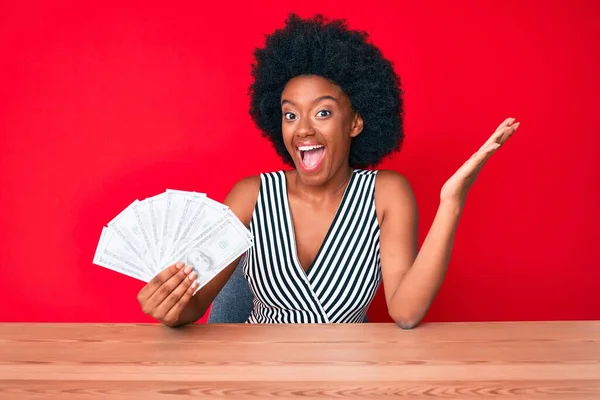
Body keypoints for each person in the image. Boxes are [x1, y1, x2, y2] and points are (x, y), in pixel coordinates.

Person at [136, 14, 519, 328]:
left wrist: (451, 202)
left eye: (322, 112)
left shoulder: (386, 194)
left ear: (355, 123)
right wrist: (170, 306)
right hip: (257, 374)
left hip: (348, 376)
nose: (303, 129)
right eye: (290, 114)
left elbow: (405, 312)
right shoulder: (249, 197)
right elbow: (195, 303)